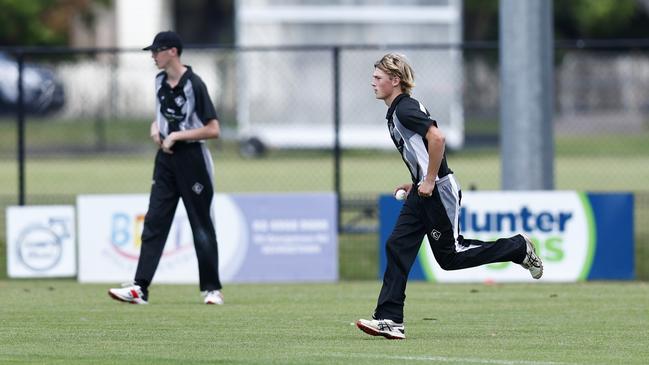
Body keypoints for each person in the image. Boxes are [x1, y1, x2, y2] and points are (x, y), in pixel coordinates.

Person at [355, 53, 543, 339]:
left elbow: (437, 139)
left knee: (450, 257)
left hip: (437, 190)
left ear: (395, 81)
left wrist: (429, 179)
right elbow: (422, 148)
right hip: (423, 189)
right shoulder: (398, 110)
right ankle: (390, 319)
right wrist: (416, 181)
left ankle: (518, 248)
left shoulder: (404, 109)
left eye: (378, 78)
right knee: (397, 245)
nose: (373, 83)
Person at [108, 31, 224, 305]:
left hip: (192, 160)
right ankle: (140, 287)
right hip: (165, 160)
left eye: (157, 51)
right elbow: (158, 115)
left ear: (172, 51)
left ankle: (212, 289)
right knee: (154, 222)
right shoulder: (159, 81)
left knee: (201, 225)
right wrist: (155, 130)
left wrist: (176, 136)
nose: (153, 56)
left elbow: (213, 129)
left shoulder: (195, 84)